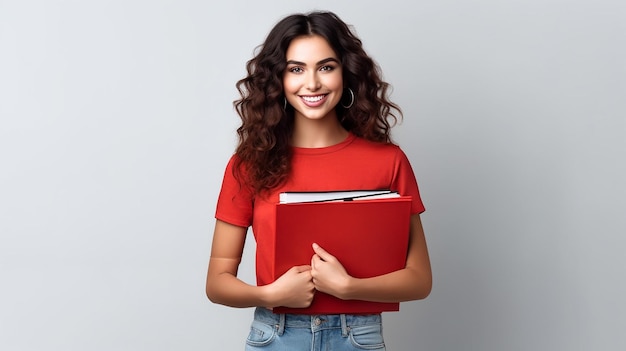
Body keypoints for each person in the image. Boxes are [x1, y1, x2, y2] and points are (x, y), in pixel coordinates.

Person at [206, 11, 432, 351]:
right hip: (276, 333)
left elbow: (419, 280)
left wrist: (349, 288)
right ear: (278, 79)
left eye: (326, 67)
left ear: (346, 72)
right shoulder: (248, 165)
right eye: (296, 69)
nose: (312, 83)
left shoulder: (388, 162)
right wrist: (271, 294)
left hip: (358, 337)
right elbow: (217, 282)